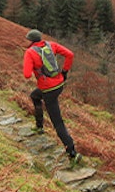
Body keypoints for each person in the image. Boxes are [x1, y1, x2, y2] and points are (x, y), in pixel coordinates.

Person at [23, 29, 80, 166]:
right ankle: (39, 126)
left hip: (48, 90)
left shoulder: (30, 52)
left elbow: (26, 75)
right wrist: (64, 72)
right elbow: (70, 55)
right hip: (58, 84)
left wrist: (31, 66)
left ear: (31, 41)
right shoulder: (51, 45)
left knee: (57, 122)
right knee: (35, 96)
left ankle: (72, 153)